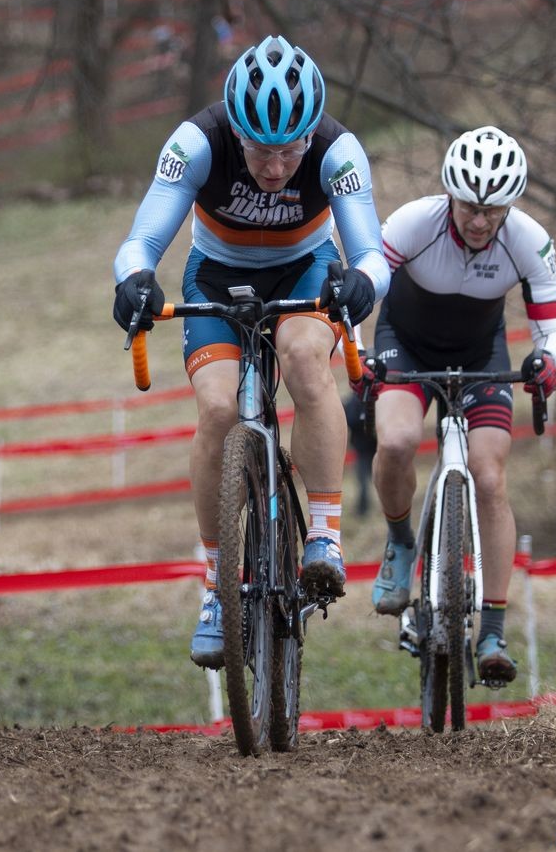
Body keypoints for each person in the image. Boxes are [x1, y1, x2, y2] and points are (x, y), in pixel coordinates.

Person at [111, 35, 390, 669]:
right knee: (216, 412)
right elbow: (141, 241)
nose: (275, 165)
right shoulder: (196, 142)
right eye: (262, 150)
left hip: (306, 269)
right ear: (236, 133)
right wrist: (133, 282)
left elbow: (370, 251)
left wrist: (365, 281)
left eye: (290, 150)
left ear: (310, 135)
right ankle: (216, 584)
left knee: (302, 361)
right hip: (215, 275)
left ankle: (322, 535)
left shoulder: (338, 150)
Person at [360, 125, 556, 684]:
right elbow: (362, 293)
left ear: (508, 207)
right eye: (470, 207)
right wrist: (358, 354)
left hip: (481, 355)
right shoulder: (412, 223)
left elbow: (553, 332)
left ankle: (493, 630)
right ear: (450, 195)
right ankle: (401, 544)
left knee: (490, 476)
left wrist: (546, 366)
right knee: (398, 441)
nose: (479, 221)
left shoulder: (528, 239)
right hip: (405, 343)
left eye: (492, 210)